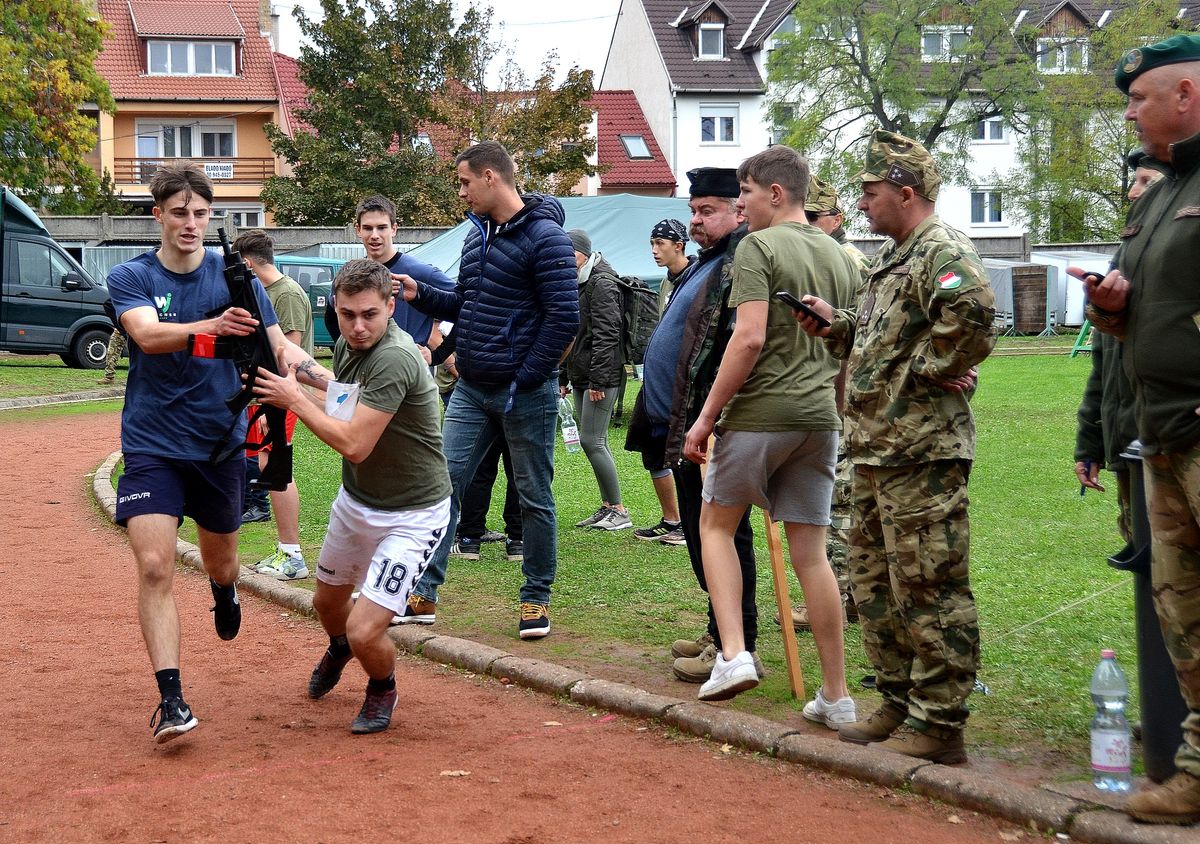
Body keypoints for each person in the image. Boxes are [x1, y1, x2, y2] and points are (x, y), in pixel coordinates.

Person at [798, 130, 996, 764]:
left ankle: (941, 722)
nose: (861, 204)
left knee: (928, 586)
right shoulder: (893, 257)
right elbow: (879, 336)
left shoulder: (942, 250)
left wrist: (931, 370)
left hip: (922, 453)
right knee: (876, 582)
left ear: (905, 192)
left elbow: (972, 313)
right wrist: (837, 326)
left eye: (871, 192)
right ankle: (897, 699)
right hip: (877, 450)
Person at [106, 162, 305, 743]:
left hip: (219, 444)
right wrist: (214, 326)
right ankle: (171, 700)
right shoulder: (132, 276)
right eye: (178, 213)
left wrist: (337, 390)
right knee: (153, 565)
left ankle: (224, 591)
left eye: (200, 213)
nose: (190, 223)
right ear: (158, 216)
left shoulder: (237, 276)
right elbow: (147, 335)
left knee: (221, 560)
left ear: (210, 216)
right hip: (152, 444)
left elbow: (279, 351)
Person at [682, 146, 858, 722]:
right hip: (818, 421)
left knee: (715, 524)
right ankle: (836, 694)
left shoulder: (758, 246)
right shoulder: (841, 256)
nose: (743, 206)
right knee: (813, 555)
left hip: (759, 414)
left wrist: (706, 417)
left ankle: (733, 653)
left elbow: (748, 338)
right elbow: (848, 344)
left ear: (775, 194)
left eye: (747, 195)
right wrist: (835, 411)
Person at [1074, 34, 1200, 824]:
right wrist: (1113, 314)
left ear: (1184, 95)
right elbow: (1150, 319)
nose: (1128, 112)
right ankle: (1195, 769)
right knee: (1182, 613)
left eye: (1137, 98)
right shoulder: (1158, 194)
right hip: (1162, 433)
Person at [253, 258, 452, 734]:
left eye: (369, 315)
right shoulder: (347, 344)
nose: (358, 327)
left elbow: (355, 444)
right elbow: (344, 403)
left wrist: (294, 399)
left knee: (366, 629)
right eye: (347, 315)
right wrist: (301, 376)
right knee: (326, 605)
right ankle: (341, 646)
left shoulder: (395, 358)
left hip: (413, 513)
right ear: (335, 310)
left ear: (391, 307)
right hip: (358, 502)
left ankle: (382, 685)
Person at [396, 141, 578, 639]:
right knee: (442, 486)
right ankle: (424, 594)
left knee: (534, 496)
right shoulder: (476, 237)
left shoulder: (548, 239)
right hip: (471, 390)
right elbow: (468, 302)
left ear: (492, 177)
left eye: (464, 182)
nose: (461, 193)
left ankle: (536, 598)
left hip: (526, 394)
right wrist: (421, 294)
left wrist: (526, 377)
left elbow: (565, 319)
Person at [626, 167, 762, 684]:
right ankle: (718, 629)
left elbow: (737, 344)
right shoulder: (709, 262)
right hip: (678, 422)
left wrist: (709, 420)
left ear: (739, 211)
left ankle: (738, 646)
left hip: (705, 424)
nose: (696, 220)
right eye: (693, 210)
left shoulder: (740, 264)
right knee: (704, 535)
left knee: (727, 536)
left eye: (707, 211)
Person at [782, 175, 865, 633]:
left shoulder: (847, 260)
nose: (809, 225)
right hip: (821, 391)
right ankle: (839, 594)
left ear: (837, 219)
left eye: (816, 218)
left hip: (841, 394)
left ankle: (838, 597)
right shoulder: (818, 255)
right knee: (832, 500)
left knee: (839, 502)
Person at [1073, 153, 1159, 546]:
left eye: (1145, 180)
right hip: (1128, 449)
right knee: (1145, 560)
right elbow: (1102, 369)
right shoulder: (1120, 265)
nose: (1132, 191)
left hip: (1174, 443)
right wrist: (1089, 446)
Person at [234, 230, 314, 581]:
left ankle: (292, 555)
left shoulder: (286, 294)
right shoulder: (268, 292)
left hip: (280, 395)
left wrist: (271, 405)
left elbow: (287, 354)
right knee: (270, 465)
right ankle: (287, 551)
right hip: (268, 394)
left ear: (247, 262)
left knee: (276, 466)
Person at [325, 194, 455, 361]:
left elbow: (468, 307)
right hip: (366, 370)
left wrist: (438, 355)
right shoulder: (350, 274)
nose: (374, 235)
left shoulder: (420, 272)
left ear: (393, 229)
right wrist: (348, 352)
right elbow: (330, 315)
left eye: (381, 227)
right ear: (358, 229)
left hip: (409, 370)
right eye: (367, 228)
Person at [563, 228, 633, 532]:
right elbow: (574, 335)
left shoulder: (602, 283)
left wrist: (598, 381)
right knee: (590, 439)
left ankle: (618, 509)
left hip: (599, 376)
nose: (563, 259)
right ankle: (606, 506)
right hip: (581, 373)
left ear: (582, 252)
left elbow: (608, 336)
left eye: (568, 253)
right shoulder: (580, 280)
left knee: (594, 440)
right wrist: (566, 376)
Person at [629, 219, 691, 547]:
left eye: (660, 244)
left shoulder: (694, 279)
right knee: (652, 452)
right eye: (652, 244)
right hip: (654, 384)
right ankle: (672, 519)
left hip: (678, 388)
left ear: (679, 245)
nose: (654, 251)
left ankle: (688, 525)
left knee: (679, 455)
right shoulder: (668, 282)